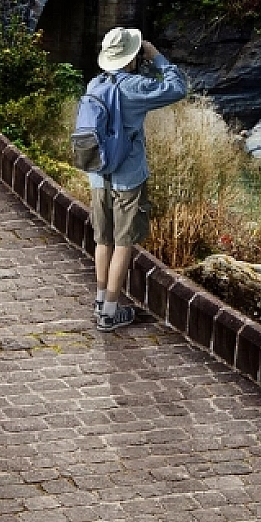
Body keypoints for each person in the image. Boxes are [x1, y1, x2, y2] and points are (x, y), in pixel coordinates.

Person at [85, 26, 187, 331]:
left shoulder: (95, 84)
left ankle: (101, 299)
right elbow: (177, 88)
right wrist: (157, 57)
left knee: (102, 238)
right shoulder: (135, 87)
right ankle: (110, 313)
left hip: (97, 173)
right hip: (127, 177)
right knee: (123, 242)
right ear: (132, 57)